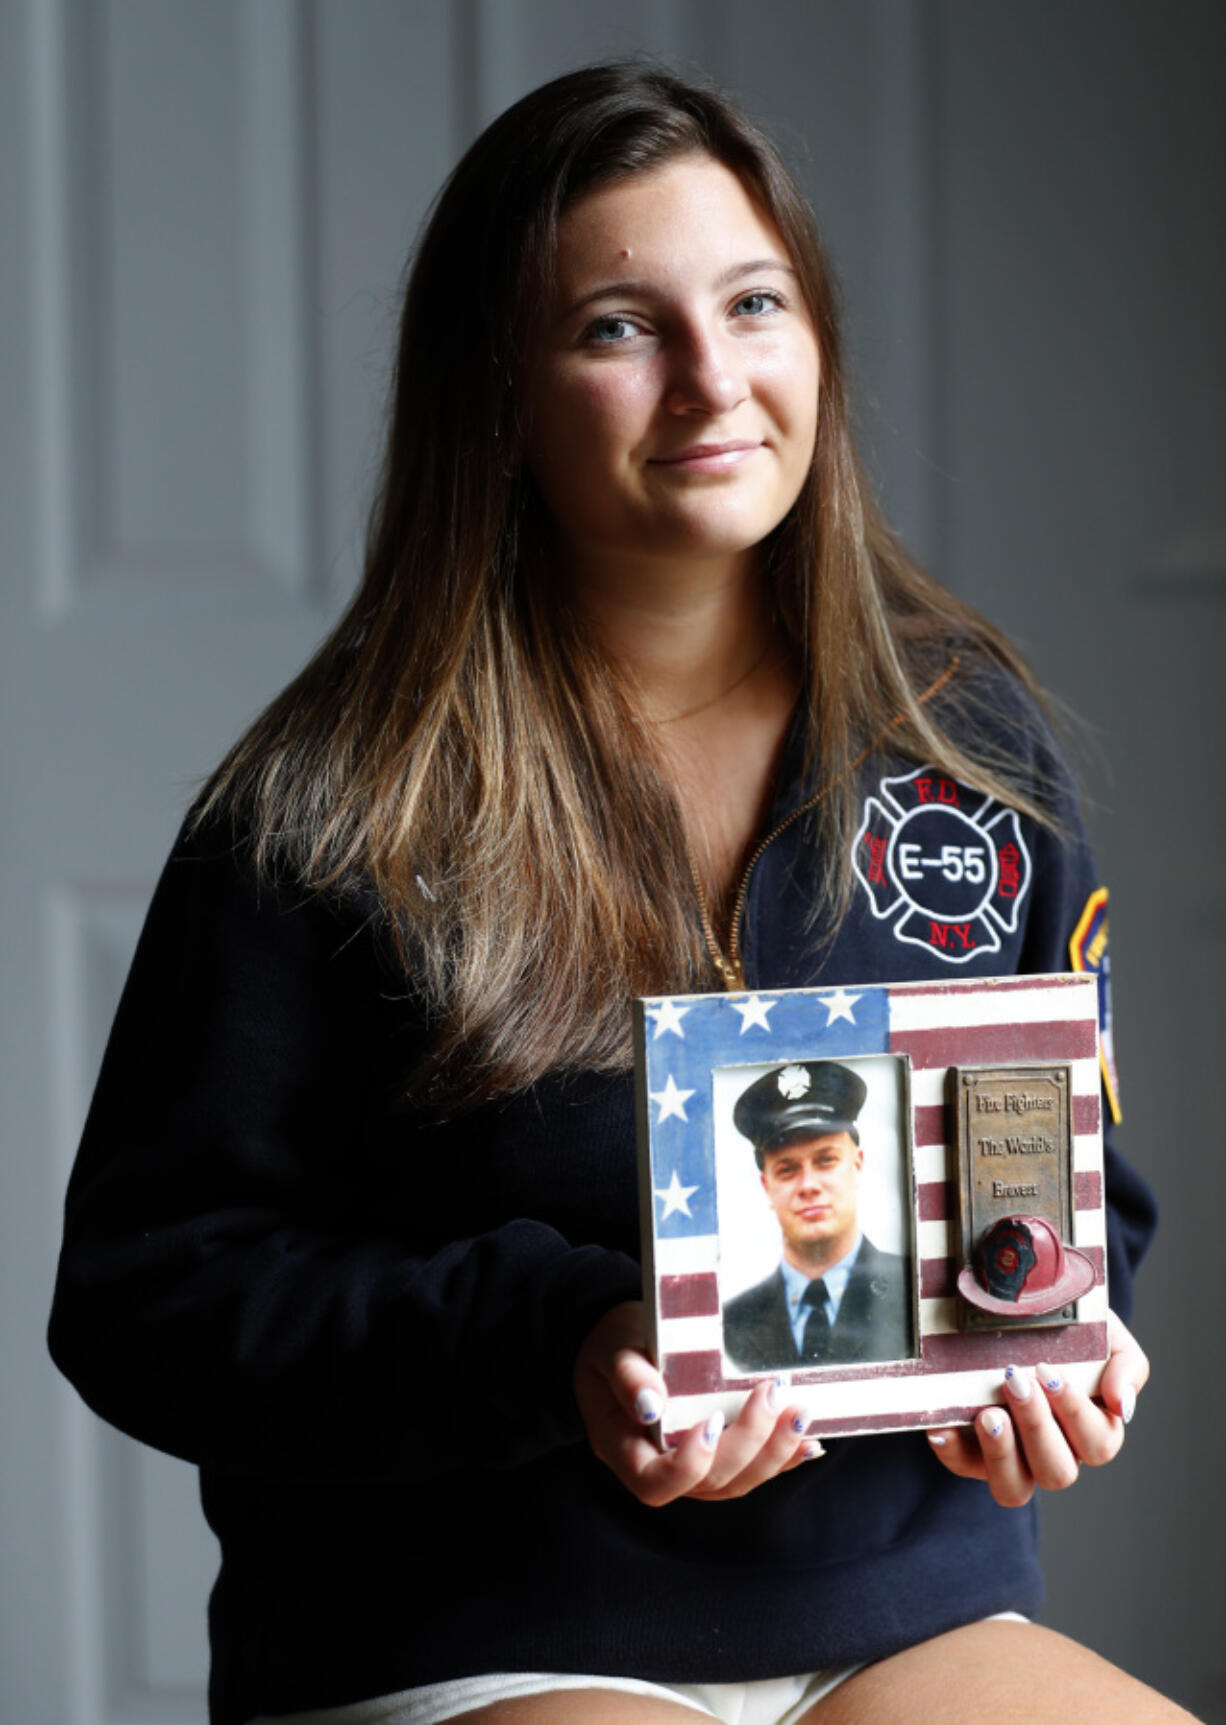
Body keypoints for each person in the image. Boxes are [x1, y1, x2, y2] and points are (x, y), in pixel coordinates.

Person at [47, 59, 1189, 1725]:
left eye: (753, 304)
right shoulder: (328, 808)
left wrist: (1058, 1340)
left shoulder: (973, 747)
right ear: (498, 393)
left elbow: (1071, 1175)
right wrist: (559, 1348)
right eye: (618, 327)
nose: (712, 379)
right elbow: (154, 1294)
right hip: (473, 1625)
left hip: (905, 1608)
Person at [722, 1060, 911, 1371]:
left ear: (857, 1164)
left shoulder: (912, 1289)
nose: (808, 1185)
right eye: (787, 1169)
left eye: (825, 1160)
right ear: (766, 1186)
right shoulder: (732, 1323)